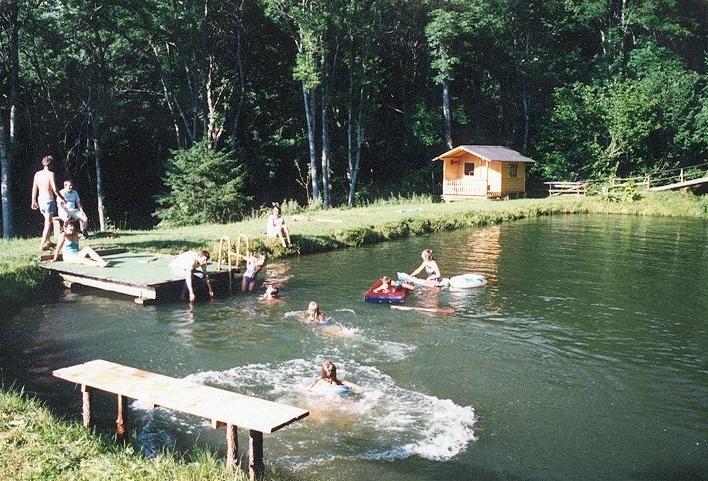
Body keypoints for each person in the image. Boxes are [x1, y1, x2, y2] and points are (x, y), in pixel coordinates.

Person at [31, 155, 65, 250]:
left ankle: (48, 241)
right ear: (51, 164)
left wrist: (33, 201)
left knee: (47, 220)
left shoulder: (37, 174)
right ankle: (41, 245)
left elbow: (34, 189)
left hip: (40, 200)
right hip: (48, 200)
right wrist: (62, 198)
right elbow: (55, 189)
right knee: (48, 223)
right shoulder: (51, 174)